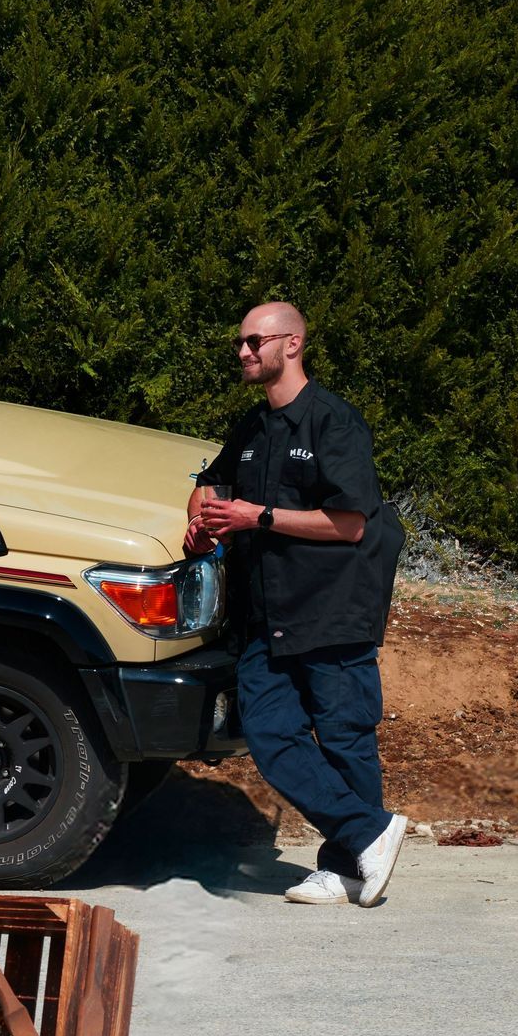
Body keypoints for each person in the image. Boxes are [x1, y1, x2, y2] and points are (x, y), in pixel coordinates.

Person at [187, 302, 408, 906]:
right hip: (268, 615)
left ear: (292, 344)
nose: (243, 352)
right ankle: (368, 833)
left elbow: (350, 524)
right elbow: (208, 484)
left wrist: (256, 516)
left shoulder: (335, 421)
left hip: (332, 608)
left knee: (344, 739)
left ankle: (345, 869)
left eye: (255, 341)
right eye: (240, 342)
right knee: (268, 733)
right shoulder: (254, 427)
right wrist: (200, 521)